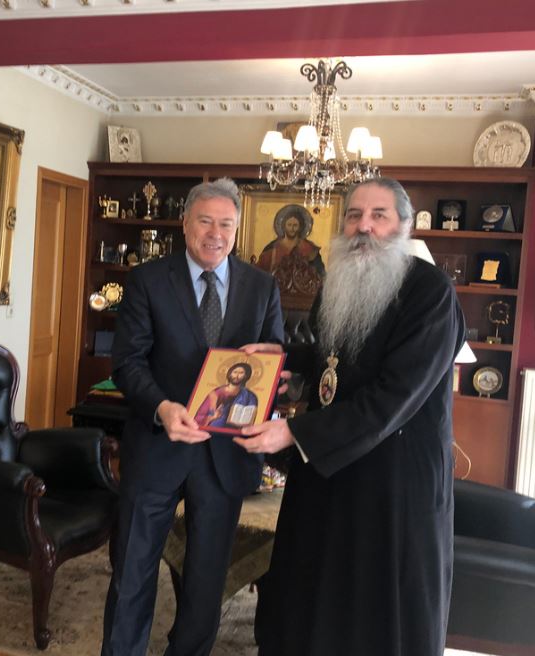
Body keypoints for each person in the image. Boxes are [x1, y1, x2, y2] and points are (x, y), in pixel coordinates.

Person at [235, 177, 465, 656]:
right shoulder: (339, 281)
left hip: (392, 482)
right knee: (315, 591)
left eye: (379, 215)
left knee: (374, 609)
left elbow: (392, 398)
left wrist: (293, 431)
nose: (364, 226)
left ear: (404, 225)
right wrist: (283, 357)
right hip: (330, 469)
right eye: (354, 215)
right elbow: (334, 359)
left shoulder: (431, 293)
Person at [101, 177, 284, 656]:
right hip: (157, 446)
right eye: (205, 221)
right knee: (132, 570)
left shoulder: (262, 286)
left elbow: (276, 360)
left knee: (207, 581)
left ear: (237, 230)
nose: (215, 234)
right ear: (185, 224)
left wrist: (276, 372)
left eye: (226, 224)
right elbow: (127, 363)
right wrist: (162, 407)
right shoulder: (147, 280)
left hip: (224, 455)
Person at [256, 204, 326, 279]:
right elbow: (259, 274)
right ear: (284, 226)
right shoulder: (272, 249)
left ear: (300, 227)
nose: (292, 228)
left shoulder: (310, 250)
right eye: (289, 225)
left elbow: (319, 275)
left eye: (295, 225)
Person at [193, 362, 258, 429]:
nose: (237, 375)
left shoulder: (250, 396)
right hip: (214, 429)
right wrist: (212, 417)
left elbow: (249, 417)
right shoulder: (217, 393)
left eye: (241, 373)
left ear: (246, 376)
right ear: (230, 374)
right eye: (235, 372)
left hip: (236, 431)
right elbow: (200, 416)